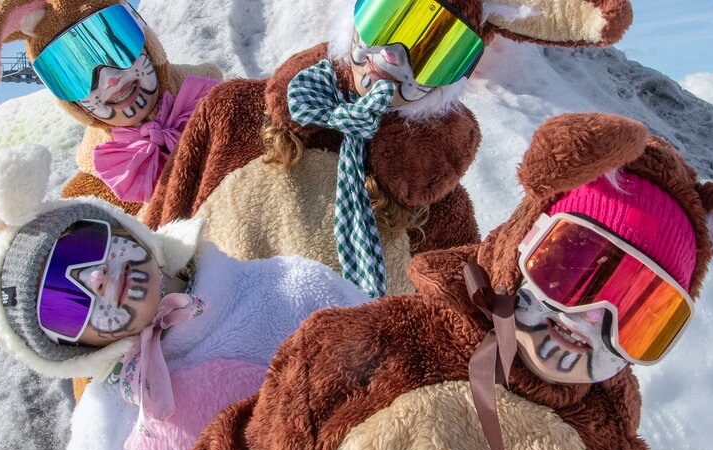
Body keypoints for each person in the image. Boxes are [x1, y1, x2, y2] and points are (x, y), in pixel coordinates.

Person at [169, 114, 713, 450]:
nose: (585, 322)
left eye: (641, 313)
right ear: (522, 240)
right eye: (574, 266)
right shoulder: (363, 351)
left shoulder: (609, 445)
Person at [0, 144, 369, 450]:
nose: (95, 279)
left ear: (121, 226)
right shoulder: (103, 443)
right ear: (71, 349)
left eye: (80, 249)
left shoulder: (292, 288)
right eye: (63, 304)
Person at [143, 0, 634, 297]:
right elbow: (145, 249)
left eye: (434, 51)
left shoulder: (440, 211)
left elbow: (441, 344)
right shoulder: (232, 114)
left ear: (458, 77)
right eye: (385, 17)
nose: (392, 61)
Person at [0, 0, 223, 213]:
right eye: (75, 75)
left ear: (144, 38)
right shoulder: (100, 188)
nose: (109, 79)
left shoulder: (220, 100)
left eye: (115, 46)